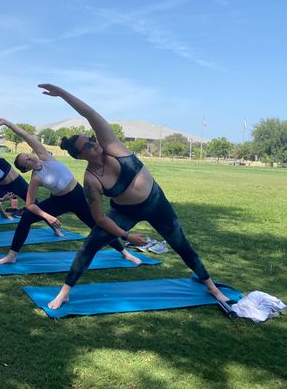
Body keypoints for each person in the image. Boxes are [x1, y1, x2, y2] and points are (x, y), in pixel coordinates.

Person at [34, 84, 229, 310]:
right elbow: (99, 218)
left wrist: (63, 94)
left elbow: (90, 114)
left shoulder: (112, 146)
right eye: (87, 145)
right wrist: (127, 236)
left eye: (91, 140)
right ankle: (65, 293)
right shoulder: (91, 180)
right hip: (124, 212)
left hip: (156, 202)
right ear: (80, 156)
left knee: (180, 243)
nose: (93, 143)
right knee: (89, 246)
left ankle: (211, 286)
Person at [0, 118, 140, 266]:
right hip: (59, 201)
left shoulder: (44, 155)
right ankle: (12, 255)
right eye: (26, 161)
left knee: (98, 225)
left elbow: (27, 136)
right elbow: (29, 204)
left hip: (78, 195)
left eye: (27, 155)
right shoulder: (36, 179)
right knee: (26, 218)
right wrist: (48, 216)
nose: (29, 158)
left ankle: (124, 252)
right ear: (25, 169)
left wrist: (7, 123)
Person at [0, 113, 62, 244]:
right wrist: (0, 199)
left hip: (19, 183)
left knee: (36, 205)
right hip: (5, 188)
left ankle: (55, 228)